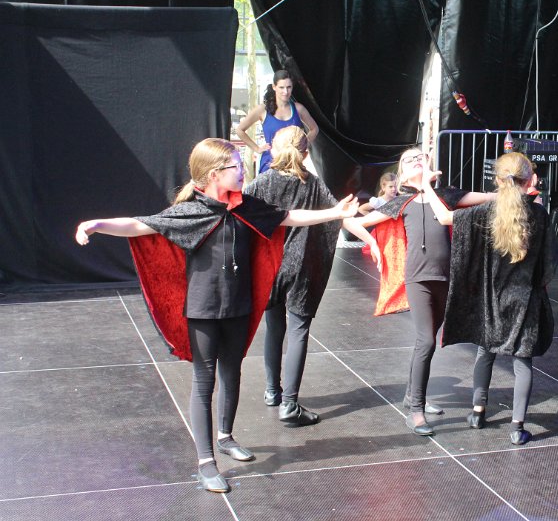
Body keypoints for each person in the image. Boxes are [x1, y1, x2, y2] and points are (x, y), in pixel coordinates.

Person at [75, 138, 358, 494]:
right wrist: (96, 224)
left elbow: (288, 217)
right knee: (204, 380)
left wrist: (335, 213)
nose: (242, 171)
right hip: (204, 309)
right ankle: (205, 462)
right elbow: (140, 225)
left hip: (238, 305)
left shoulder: (246, 207)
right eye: (236, 166)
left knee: (232, 372)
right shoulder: (192, 212)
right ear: (214, 174)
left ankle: (226, 436)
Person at [353, 147, 495, 436]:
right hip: (417, 278)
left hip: (445, 278)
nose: (416, 160)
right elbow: (353, 222)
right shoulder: (400, 203)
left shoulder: (446, 196)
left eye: (420, 156)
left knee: (427, 340)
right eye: (409, 159)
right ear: (402, 173)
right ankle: (416, 410)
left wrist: (517, 194)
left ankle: (411, 395)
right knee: (426, 341)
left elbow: (488, 198)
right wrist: (374, 243)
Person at [245, 126, 381, 427]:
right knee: (298, 330)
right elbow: (341, 216)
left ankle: (272, 391)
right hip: (303, 267)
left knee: (274, 327)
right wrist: (371, 240)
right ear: (306, 153)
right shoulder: (312, 184)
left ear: (273, 150)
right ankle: (290, 404)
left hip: (270, 266)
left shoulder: (262, 182)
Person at [421, 152, 557, 445]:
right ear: (530, 180)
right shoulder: (539, 215)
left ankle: (477, 412)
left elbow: (444, 217)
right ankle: (517, 427)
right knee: (522, 362)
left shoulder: (484, 212)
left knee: (486, 353)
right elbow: (549, 263)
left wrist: (426, 187)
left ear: (497, 180)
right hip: (524, 300)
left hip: (491, 299)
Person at [236, 70, 320, 175]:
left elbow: (314, 129)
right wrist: (257, 148)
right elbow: (239, 130)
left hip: (293, 164)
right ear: (274, 87)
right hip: (270, 163)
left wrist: (302, 144)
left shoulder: (298, 108)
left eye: (289, 87)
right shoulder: (262, 109)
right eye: (281, 87)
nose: (286, 91)